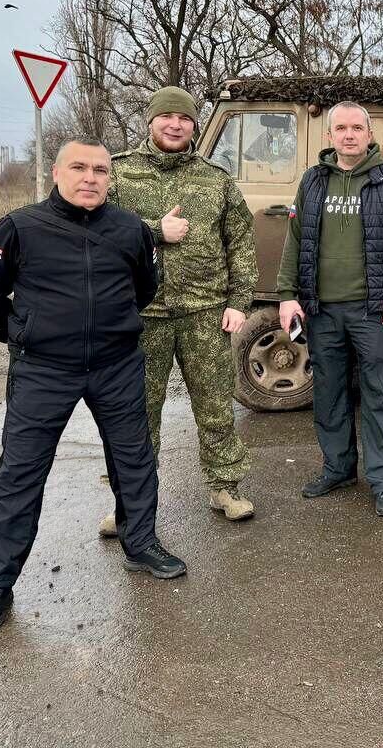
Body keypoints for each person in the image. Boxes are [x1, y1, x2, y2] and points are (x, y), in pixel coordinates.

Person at [0, 137, 187, 634]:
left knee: (134, 456)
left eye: (101, 170)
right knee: (20, 472)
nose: (91, 178)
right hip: (44, 370)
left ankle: (142, 542)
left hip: (117, 364)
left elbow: (144, 288)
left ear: (111, 177)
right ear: (58, 172)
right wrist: (22, 336)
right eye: (80, 168)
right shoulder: (19, 228)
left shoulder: (131, 229)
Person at [104, 86, 257, 531]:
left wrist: (239, 302)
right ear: (150, 122)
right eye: (167, 117)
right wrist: (153, 230)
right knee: (137, 412)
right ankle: (129, 501)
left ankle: (225, 485)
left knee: (213, 405)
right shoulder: (119, 175)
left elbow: (241, 242)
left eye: (185, 119)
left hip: (205, 312)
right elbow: (97, 231)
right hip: (141, 315)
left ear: (194, 126)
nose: (175, 125)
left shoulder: (216, 178)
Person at [277, 102, 383, 516]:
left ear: (369, 134)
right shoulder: (311, 182)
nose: (348, 135)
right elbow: (295, 241)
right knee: (329, 393)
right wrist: (288, 295)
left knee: (382, 394)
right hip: (322, 310)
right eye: (340, 128)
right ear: (329, 136)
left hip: (374, 310)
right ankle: (338, 467)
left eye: (356, 128)